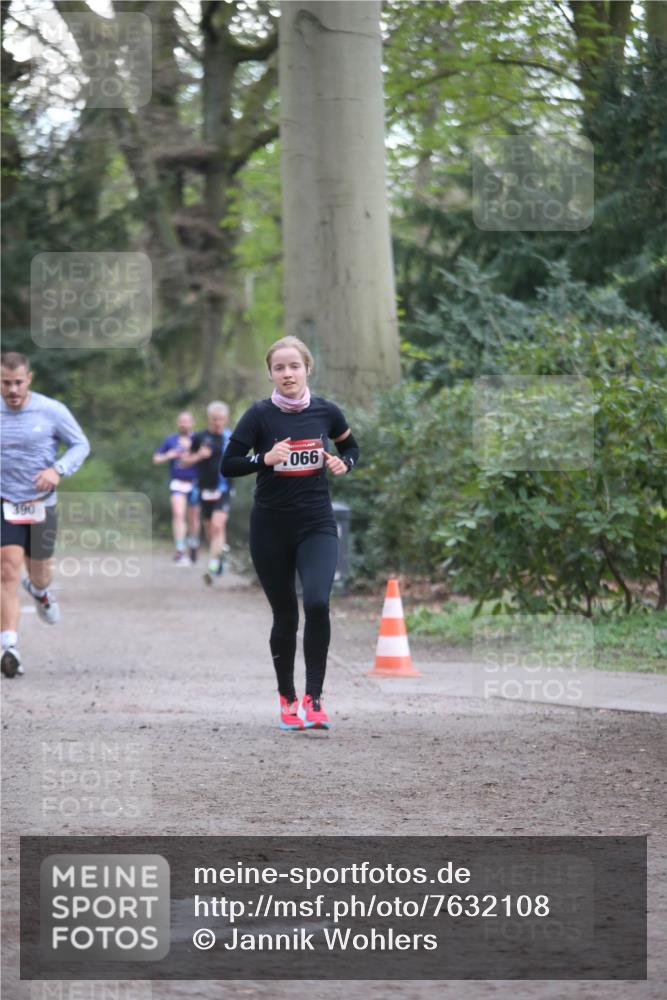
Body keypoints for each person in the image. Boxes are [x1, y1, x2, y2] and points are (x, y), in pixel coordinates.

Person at [221, 336, 359, 731]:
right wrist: (264, 458)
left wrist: (344, 464)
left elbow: (351, 448)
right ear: (270, 374)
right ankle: (287, 697)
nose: (288, 374)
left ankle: (315, 699)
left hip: (316, 524)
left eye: (294, 366)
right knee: (285, 616)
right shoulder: (258, 415)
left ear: (307, 369)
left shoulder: (326, 411)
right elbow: (229, 464)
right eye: (279, 368)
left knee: (316, 602)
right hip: (271, 528)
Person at [0, 352, 90, 678]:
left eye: (18, 382)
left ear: (29, 379)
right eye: (5, 383)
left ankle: (39, 592)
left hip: (41, 503)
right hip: (5, 503)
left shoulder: (51, 410)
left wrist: (58, 469)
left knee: (40, 575)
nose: (12, 390)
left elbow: (80, 444)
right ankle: (9, 648)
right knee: (7, 571)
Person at [179, 401, 232, 585]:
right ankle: (221, 551)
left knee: (218, 525)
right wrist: (199, 455)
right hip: (204, 489)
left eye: (221, 419)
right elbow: (184, 461)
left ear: (226, 419)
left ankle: (213, 566)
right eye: (214, 419)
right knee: (210, 528)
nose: (218, 422)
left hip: (224, 489)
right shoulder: (199, 437)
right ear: (209, 419)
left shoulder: (230, 437)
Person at [153, 411, 201, 565]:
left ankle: (193, 543)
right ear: (178, 423)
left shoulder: (198, 439)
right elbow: (156, 459)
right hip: (177, 482)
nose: (184, 424)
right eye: (181, 421)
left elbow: (209, 456)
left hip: (195, 483)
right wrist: (169, 455)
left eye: (187, 421)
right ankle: (180, 549)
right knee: (178, 513)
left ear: (192, 423)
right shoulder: (170, 440)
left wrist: (192, 450)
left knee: (193, 517)